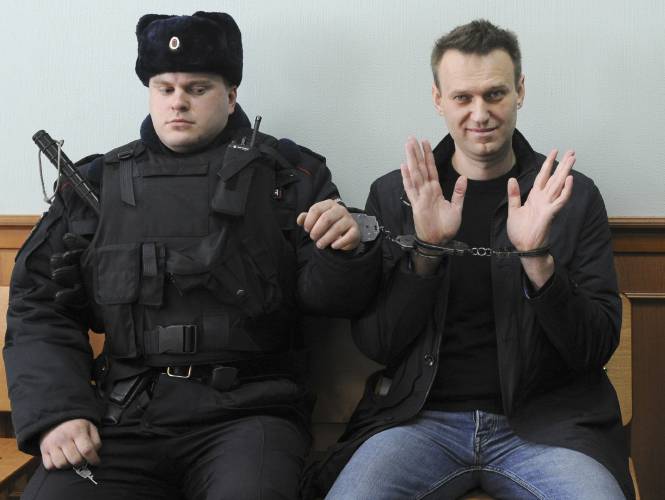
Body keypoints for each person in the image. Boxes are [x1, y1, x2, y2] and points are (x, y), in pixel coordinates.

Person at [4, 11, 380, 500]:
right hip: (124, 415)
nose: (178, 101)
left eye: (197, 88)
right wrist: (58, 412)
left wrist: (345, 249)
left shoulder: (289, 177)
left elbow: (331, 299)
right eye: (165, 88)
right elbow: (38, 304)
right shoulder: (95, 183)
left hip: (249, 415)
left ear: (231, 94)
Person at [312, 19, 633, 500]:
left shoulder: (571, 196)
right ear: (439, 100)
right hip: (419, 422)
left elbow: (593, 347)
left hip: (547, 426)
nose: (480, 114)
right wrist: (426, 251)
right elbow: (378, 344)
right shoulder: (395, 195)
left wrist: (537, 258)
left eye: (495, 94)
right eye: (463, 98)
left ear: (520, 91)